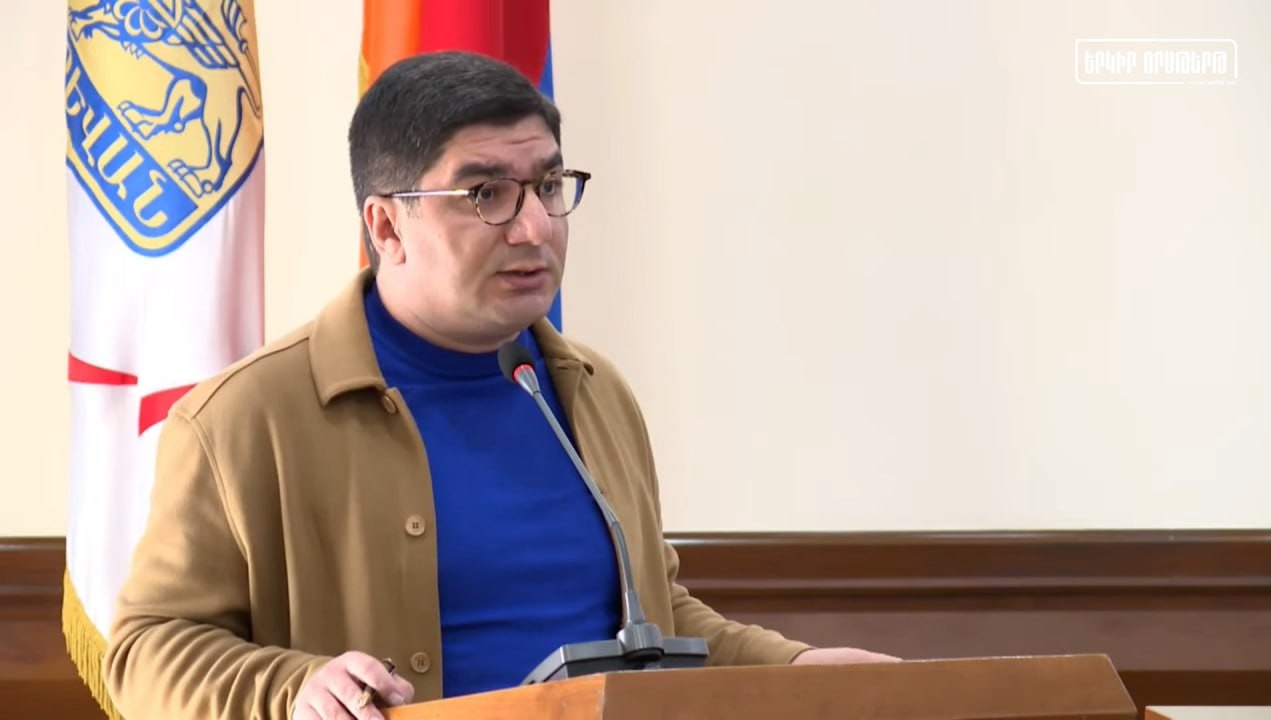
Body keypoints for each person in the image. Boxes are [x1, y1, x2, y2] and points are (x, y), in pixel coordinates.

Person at [102, 50, 898, 720]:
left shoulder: (591, 392)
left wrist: (797, 667)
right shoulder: (245, 418)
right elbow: (144, 651)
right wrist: (294, 688)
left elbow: (652, 621)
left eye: (549, 186)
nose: (535, 227)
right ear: (386, 226)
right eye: (486, 195)